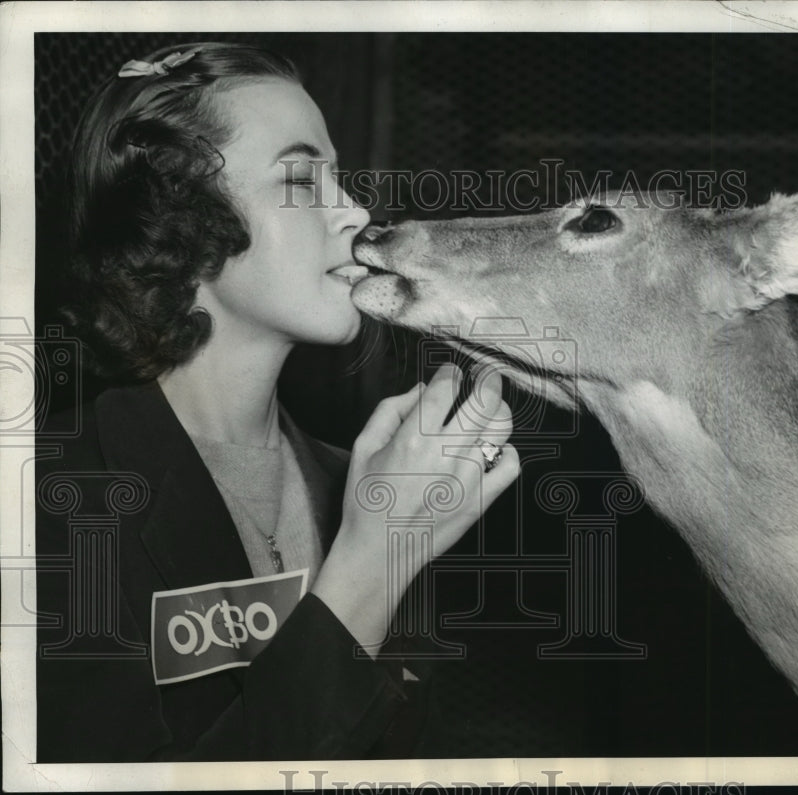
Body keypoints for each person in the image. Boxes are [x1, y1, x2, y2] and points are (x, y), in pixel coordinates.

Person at [34, 41, 519, 762]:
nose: (355, 211)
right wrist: (374, 563)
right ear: (176, 213)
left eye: (338, 177)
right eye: (300, 178)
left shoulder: (364, 488)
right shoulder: (49, 500)